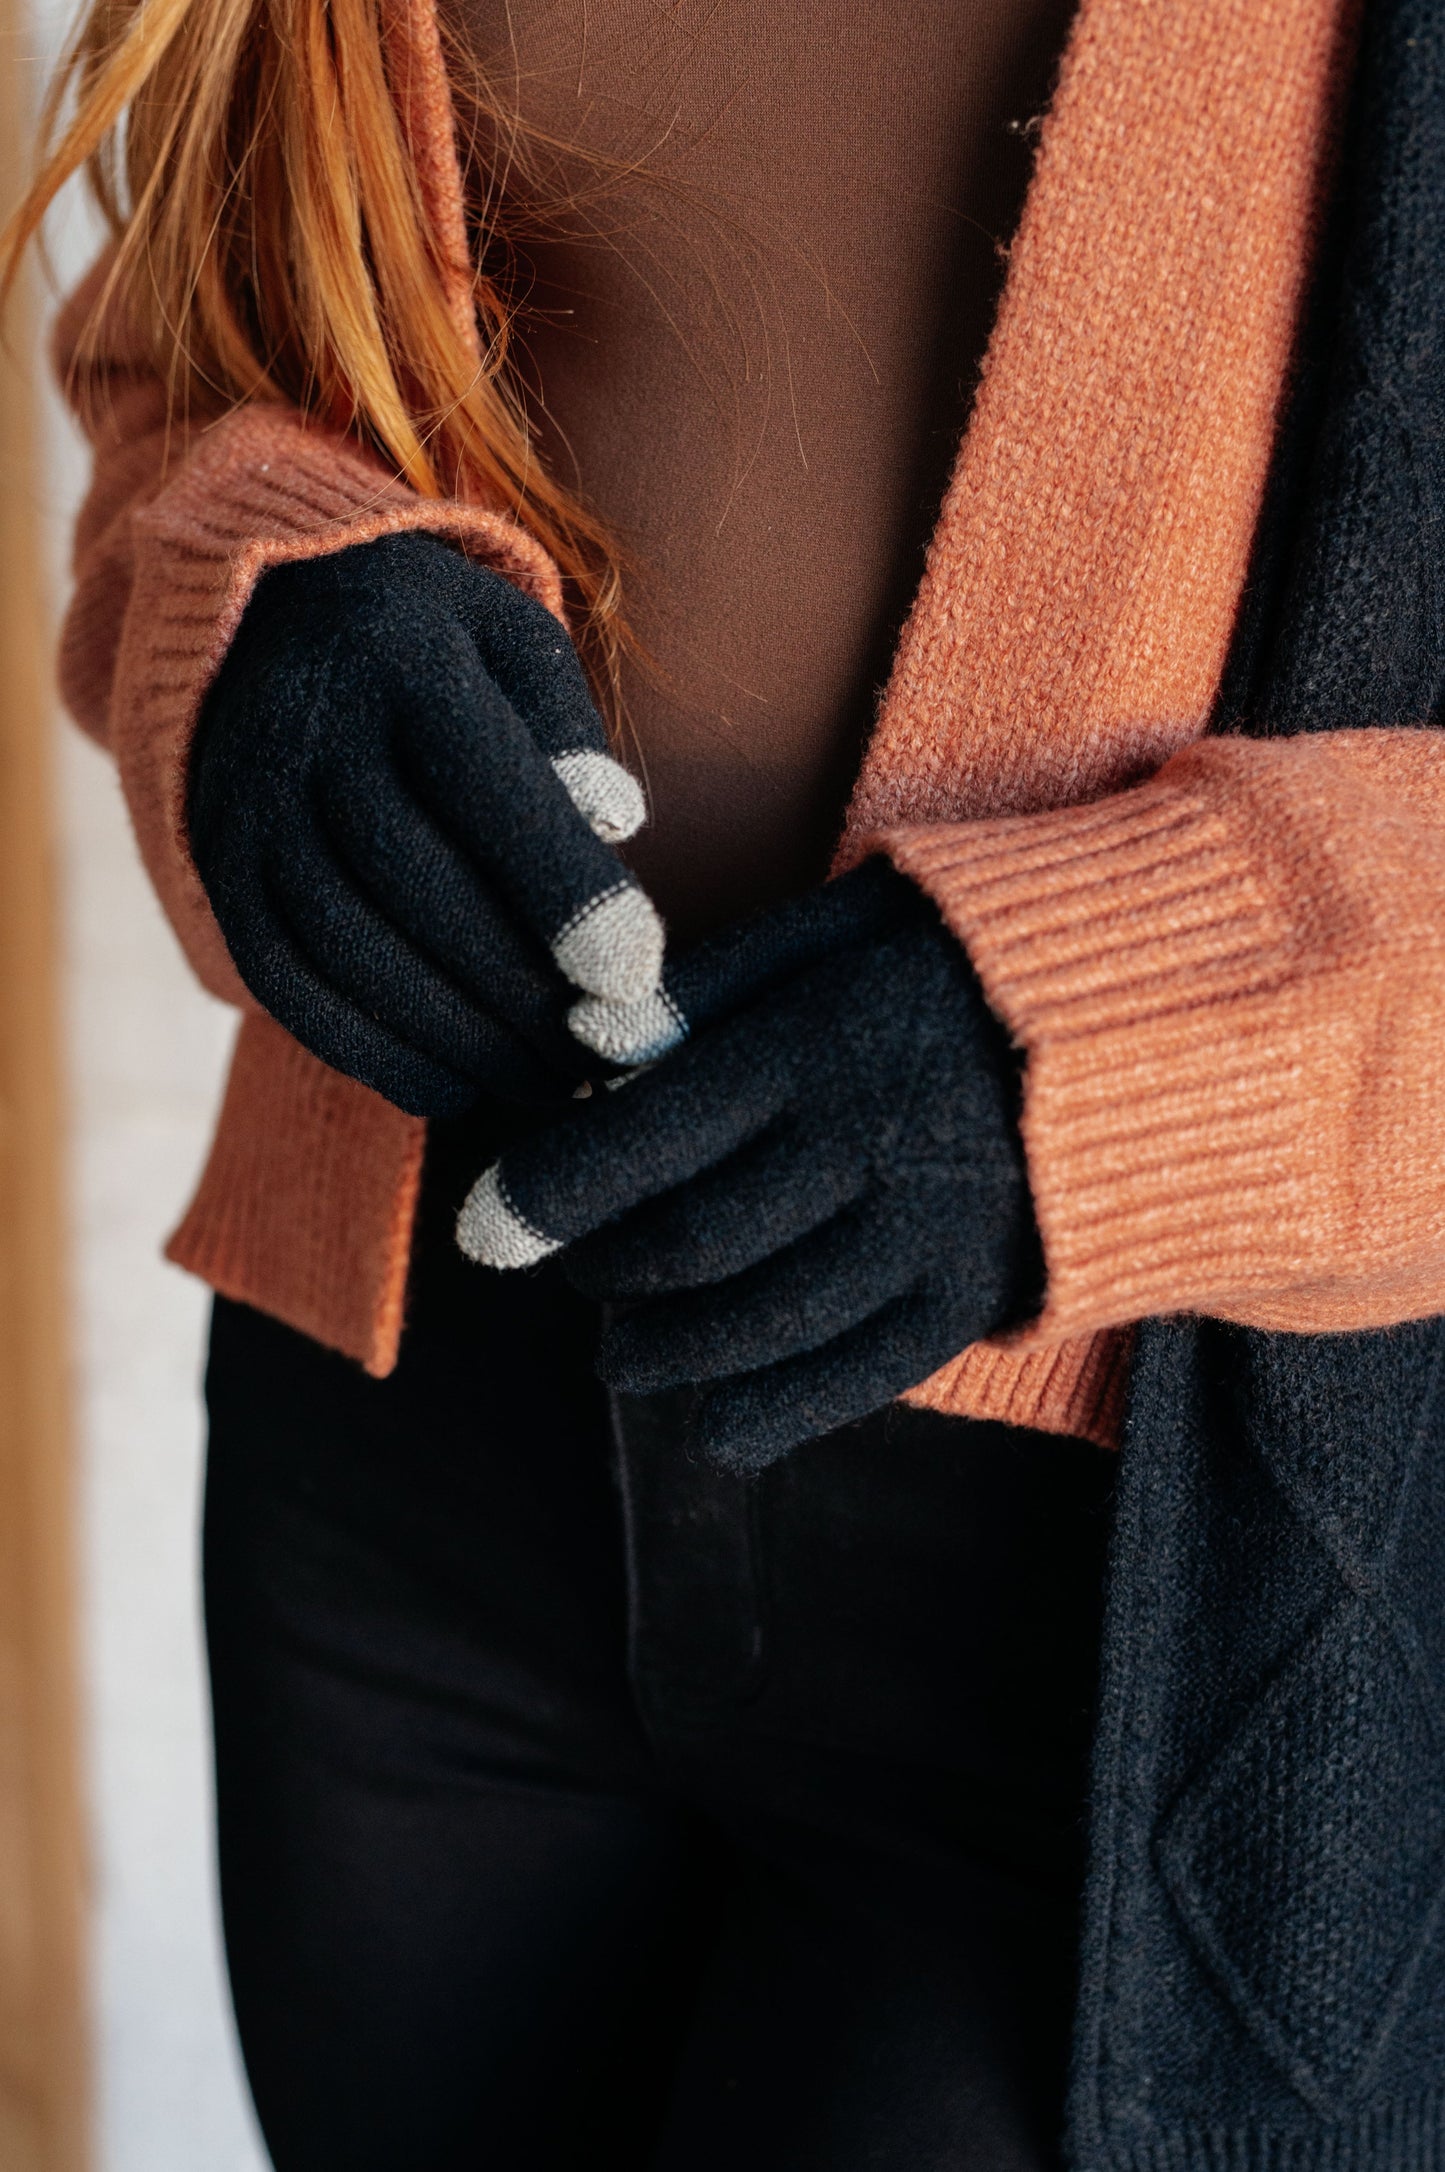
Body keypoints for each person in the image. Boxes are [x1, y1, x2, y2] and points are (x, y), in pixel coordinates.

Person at [5, 0, 1445, 2163]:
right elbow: (177, 364)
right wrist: (252, 603)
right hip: (404, 1464)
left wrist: (1162, 1025)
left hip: (1137, 1544)